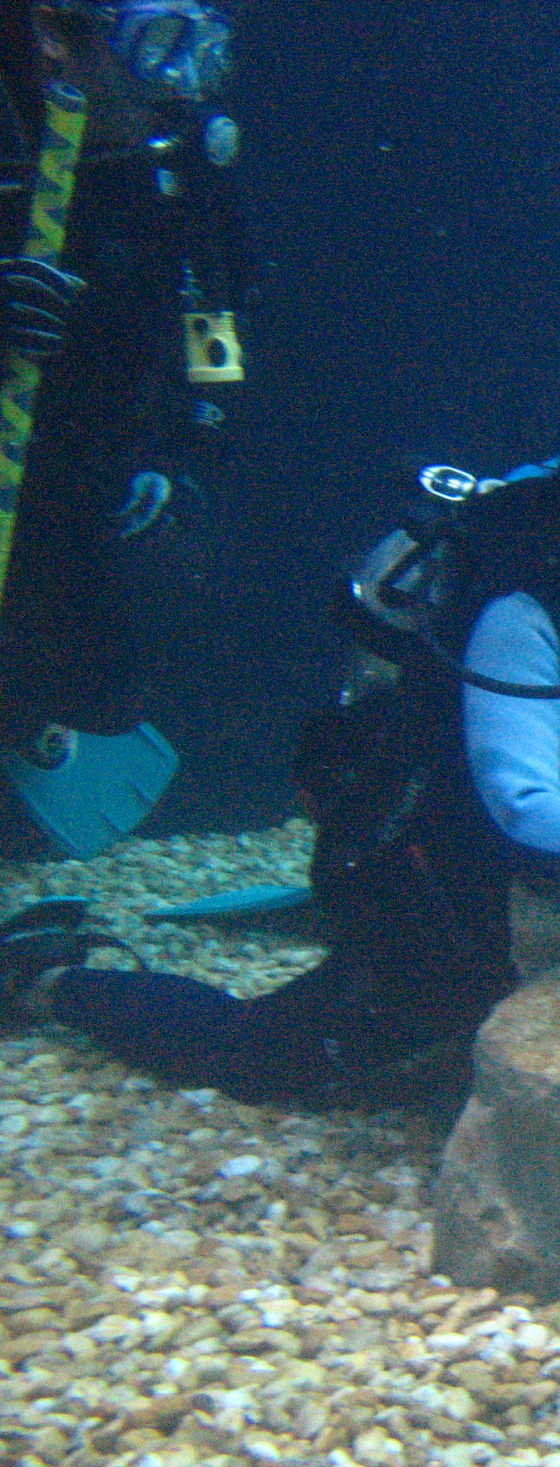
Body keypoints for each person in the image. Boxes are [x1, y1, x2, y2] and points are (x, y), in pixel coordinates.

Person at [0, 308, 560, 1110]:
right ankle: (54, 980)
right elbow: (526, 811)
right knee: (266, 1057)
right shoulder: (529, 614)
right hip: (449, 908)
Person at [0, 0, 249, 854]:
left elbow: (214, 319)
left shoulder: (177, 170)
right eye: (143, 41)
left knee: (101, 687)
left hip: (90, 456)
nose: (168, 75)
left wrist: (188, 444)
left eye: (184, 41)